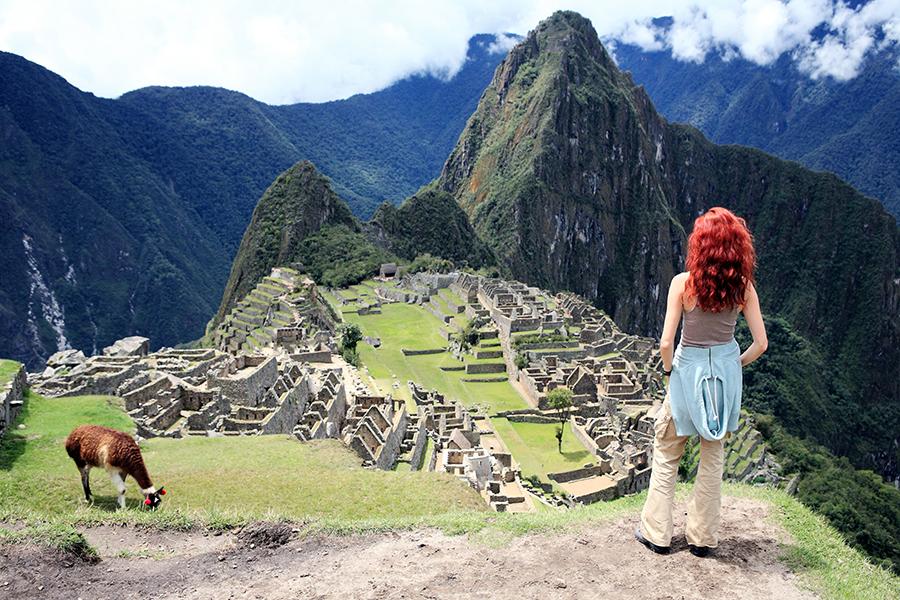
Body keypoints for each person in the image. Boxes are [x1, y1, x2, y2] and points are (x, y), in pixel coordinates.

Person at [635, 207, 768, 558]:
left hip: (686, 370)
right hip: (722, 375)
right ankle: (702, 539)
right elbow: (761, 343)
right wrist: (732, 365)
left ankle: (657, 534)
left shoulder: (683, 283)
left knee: (667, 449)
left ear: (701, 246)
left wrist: (669, 373)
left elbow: (666, 343)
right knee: (713, 454)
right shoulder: (743, 288)